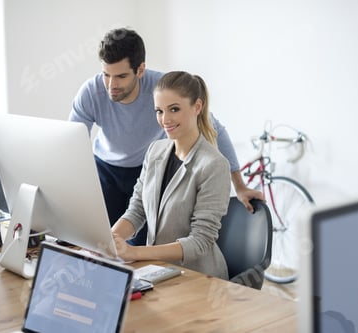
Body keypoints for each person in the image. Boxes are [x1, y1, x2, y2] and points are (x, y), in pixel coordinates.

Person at [69, 28, 263, 245]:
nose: (111, 85)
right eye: (106, 75)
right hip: (106, 168)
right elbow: (71, 144)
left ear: (140, 69)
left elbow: (215, 129)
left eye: (121, 76)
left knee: (141, 246)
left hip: (146, 169)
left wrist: (240, 186)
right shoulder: (91, 92)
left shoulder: (162, 89)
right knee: (101, 242)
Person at [111, 71, 230, 278]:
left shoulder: (214, 165)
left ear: (197, 107)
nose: (165, 119)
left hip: (198, 277)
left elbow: (200, 241)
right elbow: (137, 210)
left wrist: (135, 252)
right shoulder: (155, 150)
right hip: (157, 269)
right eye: (159, 111)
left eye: (174, 109)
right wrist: (109, 240)